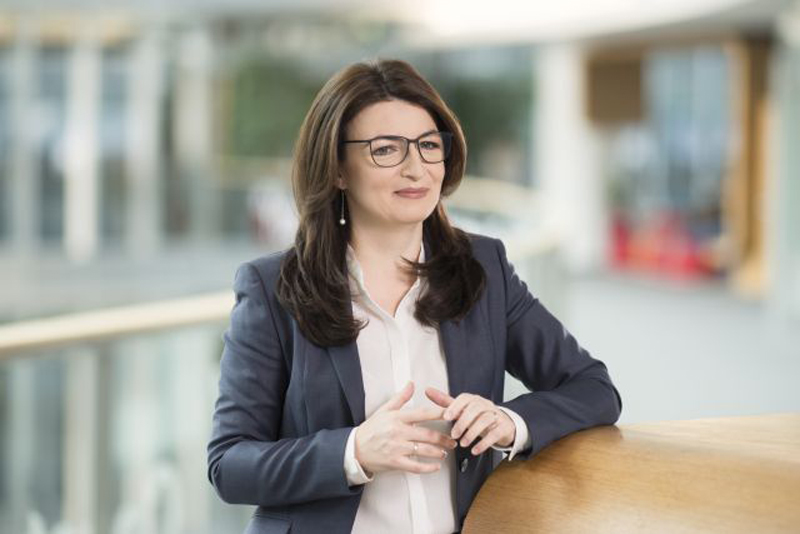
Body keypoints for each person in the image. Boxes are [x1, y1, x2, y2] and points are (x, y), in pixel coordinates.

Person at [206, 58, 622, 534]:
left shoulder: (482, 269)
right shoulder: (273, 287)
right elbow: (229, 464)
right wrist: (354, 451)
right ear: (337, 169)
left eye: (428, 146)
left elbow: (593, 388)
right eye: (386, 149)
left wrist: (509, 422)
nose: (416, 168)